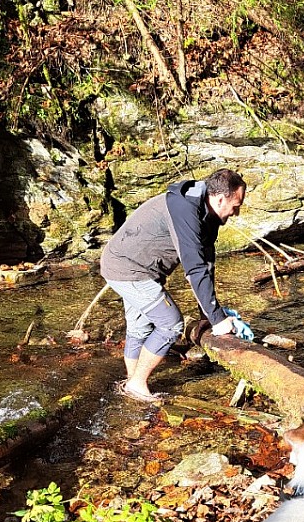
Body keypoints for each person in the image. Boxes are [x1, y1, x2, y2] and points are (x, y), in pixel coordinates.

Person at [100, 168, 254, 402]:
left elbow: (206, 263)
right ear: (221, 198)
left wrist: (210, 317)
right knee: (170, 324)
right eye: (236, 205)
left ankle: (131, 383)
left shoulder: (208, 212)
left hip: (132, 268)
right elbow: (194, 269)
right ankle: (136, 384)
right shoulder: (185, 210)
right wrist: (218, 321)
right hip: (128, 269)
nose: (238, 212)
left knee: (139, 329)